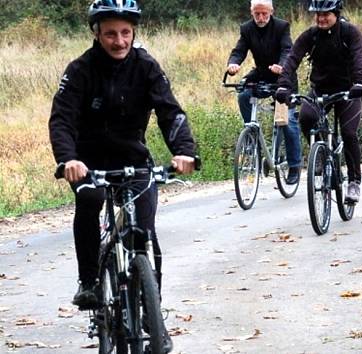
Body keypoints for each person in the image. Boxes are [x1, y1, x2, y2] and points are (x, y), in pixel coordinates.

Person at [49, 0, 196, 349]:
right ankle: (89, 282)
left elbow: (169, 111)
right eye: (111, 33)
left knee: (144, 229)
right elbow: (62, 119)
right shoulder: (80, 70)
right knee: (90, 199)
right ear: (97, 33)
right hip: (88, 162)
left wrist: (184, 150)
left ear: (134, 32)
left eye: (126, 32)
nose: (119, 41)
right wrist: (69, 159)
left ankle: (152, 312)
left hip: (134, 160)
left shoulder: (146, 66)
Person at [275, 0, 362, 203]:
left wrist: (360, 83)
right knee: (306, 118)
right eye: (318, 14)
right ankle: (322, 153)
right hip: (320, 89)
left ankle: (354, 182)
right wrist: (283, 85)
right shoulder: (311, 35)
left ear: (336, 13)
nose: (321, 18)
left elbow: (360, 58)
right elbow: (292, 59)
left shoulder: (350, 33)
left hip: (348, 91)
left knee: (349, 133)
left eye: (326, 14)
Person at [227, 0, 302, 184]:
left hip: (283, 79)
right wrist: (233, 63)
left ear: (271, 11)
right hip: (261, 74)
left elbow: (287, 49)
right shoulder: (246, 28)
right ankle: (251, 134)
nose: (260, 18)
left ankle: (294, 166)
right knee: (244, 94)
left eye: (264, 14)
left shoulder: (282, 26)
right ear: (251, 12)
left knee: (288, 121)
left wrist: (282, 66)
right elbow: (239, 50)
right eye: (257, 14)